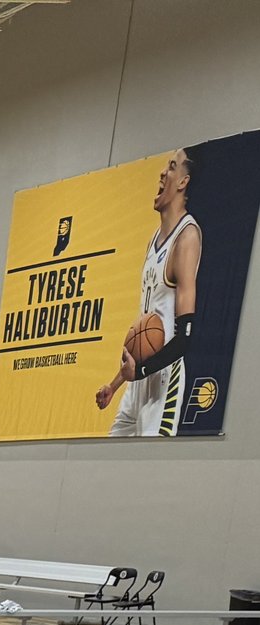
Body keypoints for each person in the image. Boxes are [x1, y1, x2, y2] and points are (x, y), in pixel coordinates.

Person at [99, 148, 202, 438]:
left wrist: (142, 372)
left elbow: (184, 338)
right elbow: (143, 336)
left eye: (172, 167)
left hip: (163, 382)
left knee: (150, 463)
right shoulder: (153, 241)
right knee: (106, 457)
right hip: (138, 382)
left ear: (183, 182)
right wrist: (115, 384)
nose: (162, 172)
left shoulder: (187, 238)